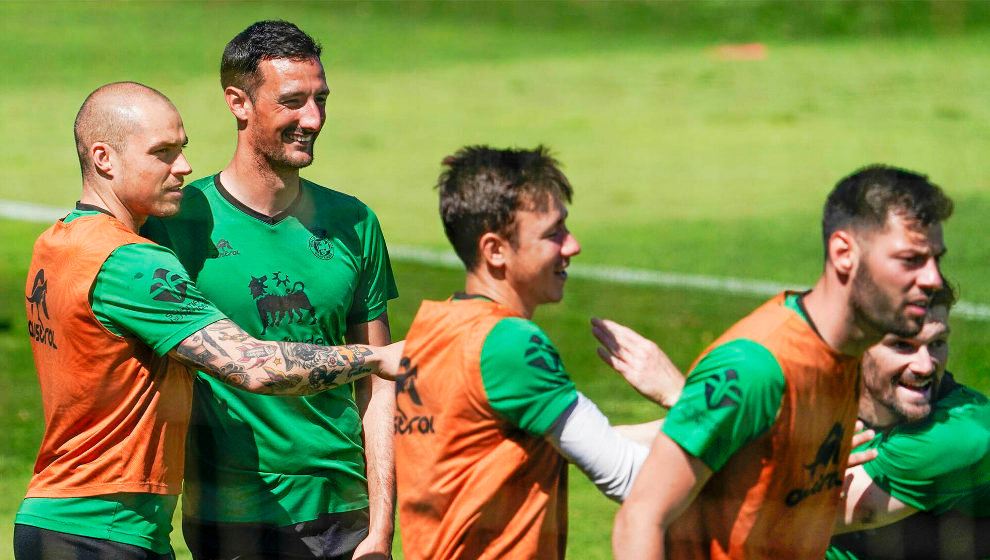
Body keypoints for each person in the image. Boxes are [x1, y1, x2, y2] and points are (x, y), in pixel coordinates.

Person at [14, 82, 402, 559]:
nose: (184, 167)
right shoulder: (134, 263)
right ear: (104, 158)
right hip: (102, 532)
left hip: (58, 518)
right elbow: (255, 366)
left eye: (182, 150)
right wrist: (377, 357)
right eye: (163, 153)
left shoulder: (55, 245)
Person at [141, 21, 397, 560]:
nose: (314, 119)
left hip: (340, 510)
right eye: (293, 101)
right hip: (228, 513)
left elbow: (380, 379)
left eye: (321, 99)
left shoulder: (354, 222)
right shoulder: (177, 222)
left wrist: (382, 526)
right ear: (238, 102)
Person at [604, 165, 952, 559]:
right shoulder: (755, 366)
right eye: (911, 260)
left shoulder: (847, 359)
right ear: (843, 255)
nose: (933, 279)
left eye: (935, 259)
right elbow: (640, 519)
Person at [393, 145, 664, 560]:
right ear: (495, 250)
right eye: (553, 233)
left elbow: (565, 441)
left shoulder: (435, 326)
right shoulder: (510, 343)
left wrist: (692, 412)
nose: (572, 246)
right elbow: (625, 476)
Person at [828, 283, 990, 559]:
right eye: (903, 345)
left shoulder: (956, 432)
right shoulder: (822, 385)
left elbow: (789, 517)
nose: (926, 366)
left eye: (937, 343)